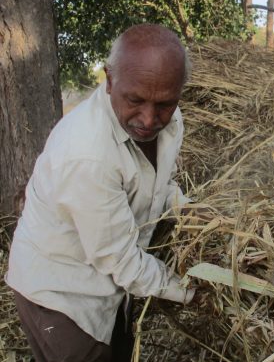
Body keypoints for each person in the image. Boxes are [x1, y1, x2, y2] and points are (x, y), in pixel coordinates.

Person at [6, 24, 196, 361]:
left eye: (165, 104)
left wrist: (191, 212)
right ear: (109, 80)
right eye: (135, 100)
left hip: (109, 282)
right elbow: (121, 260)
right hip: (62, 295)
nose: (149, 120)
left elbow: (160, 186)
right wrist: (193, 289)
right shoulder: (87, 154)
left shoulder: (172, 120)